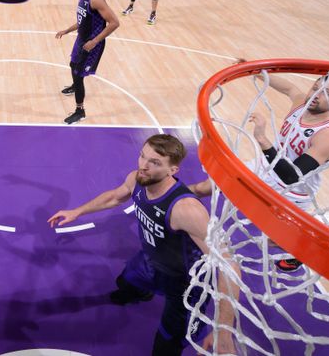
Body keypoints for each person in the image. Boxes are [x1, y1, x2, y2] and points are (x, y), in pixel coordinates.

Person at [48, 134, 238, 355]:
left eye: (154, 162)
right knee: (124, 283)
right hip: (151, 261)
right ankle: (142, 292)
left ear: (172, 170)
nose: (143, 166)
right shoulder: (137, 179)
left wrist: (224, 329)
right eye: (142, 156)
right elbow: (114, 197)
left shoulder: (187, 210)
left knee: (166, 346)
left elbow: (228, 265)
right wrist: (77, 211)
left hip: (186, 283)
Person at [189, 72, 329, 272]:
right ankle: (170, 202)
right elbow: (289, 88)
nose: (316, 94)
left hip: (294, 189)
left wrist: (262, 139)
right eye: (315, 88)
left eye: (327, 93)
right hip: (266, 165)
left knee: (276, 240)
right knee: (207, 186)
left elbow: (292, 176)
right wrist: (259, 72)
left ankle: (304, 250)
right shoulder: (301, 103)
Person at [56, 0, 120, 124]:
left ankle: (80, 111)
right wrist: (67, 30)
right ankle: (75, 85)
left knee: (79, 76)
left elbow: (114, 23)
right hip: (81, 39)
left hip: (92, 44)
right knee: (72, 64)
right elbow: (81, 22)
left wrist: (94, 41)